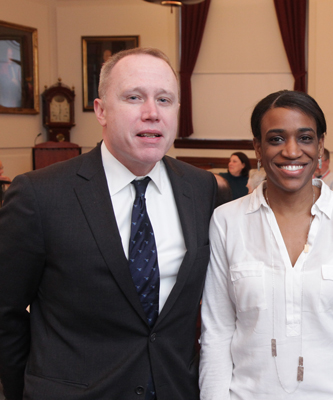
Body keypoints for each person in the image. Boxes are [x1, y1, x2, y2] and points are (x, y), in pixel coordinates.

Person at [0, 47, 217, 400]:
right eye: (134, 97)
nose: (152, 113)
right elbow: (5, 314)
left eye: (164, 99)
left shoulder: (201, 188)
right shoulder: (40, 195)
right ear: (101, 110)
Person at [199, 90, 333, 399]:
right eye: (275, 139)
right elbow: (217, 332)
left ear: (320, 145)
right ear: (257, 147)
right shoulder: (227, 221)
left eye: (305, 138)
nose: (291, 151)